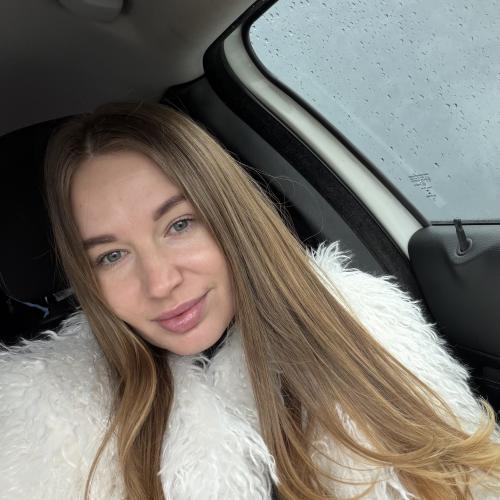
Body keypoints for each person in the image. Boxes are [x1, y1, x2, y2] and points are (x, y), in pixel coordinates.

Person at [1, 102, 500, 500]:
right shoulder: (51, 425)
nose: (160, 282)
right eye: (111, 256)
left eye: (179, 224)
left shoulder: (365, 327)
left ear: (230, 217)